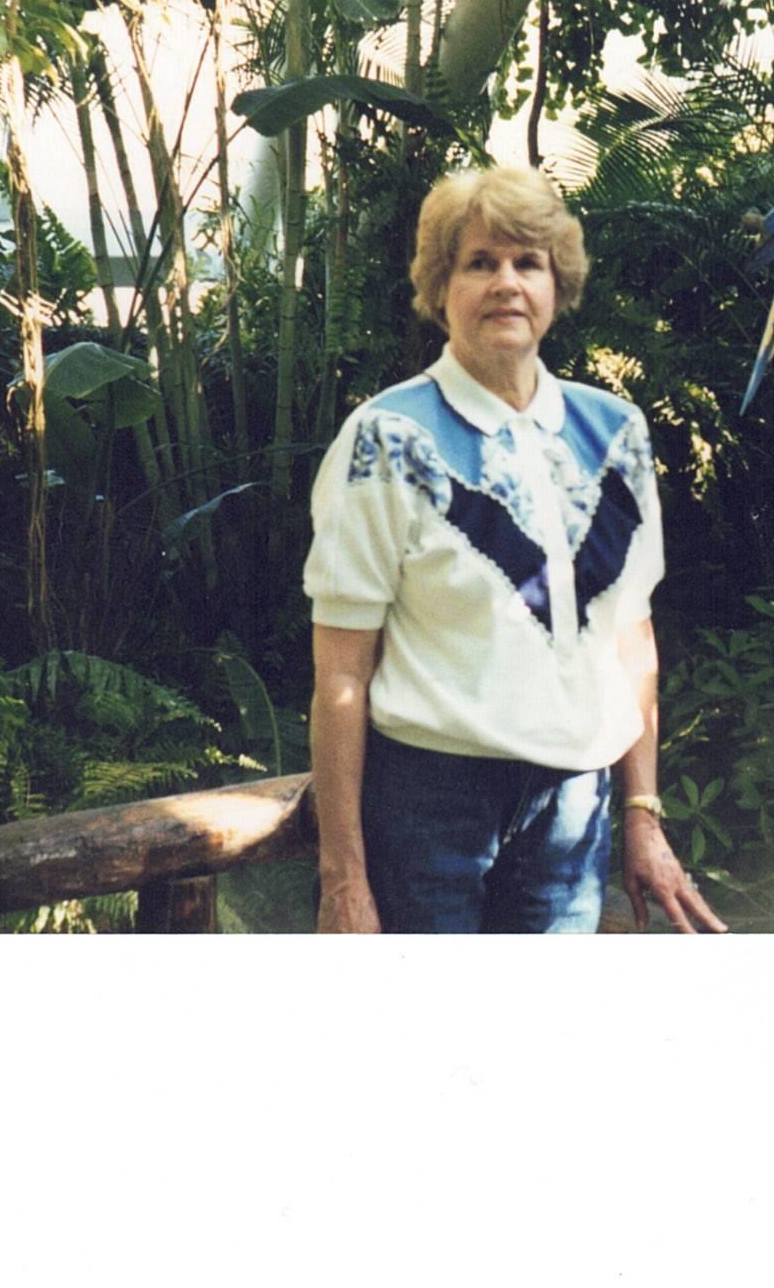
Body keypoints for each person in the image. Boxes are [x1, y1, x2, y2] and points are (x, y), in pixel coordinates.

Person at [303, 168, 725, 935]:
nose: (506, 282)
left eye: (527, 263)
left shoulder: (615, 433)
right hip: (428, 805)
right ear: (440, 288)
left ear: (557, 286)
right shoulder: (387, 439)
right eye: (479, 263)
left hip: (573, 807)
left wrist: (641, 813)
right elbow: (340, 675)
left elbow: (630, 642)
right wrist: (344, 881)